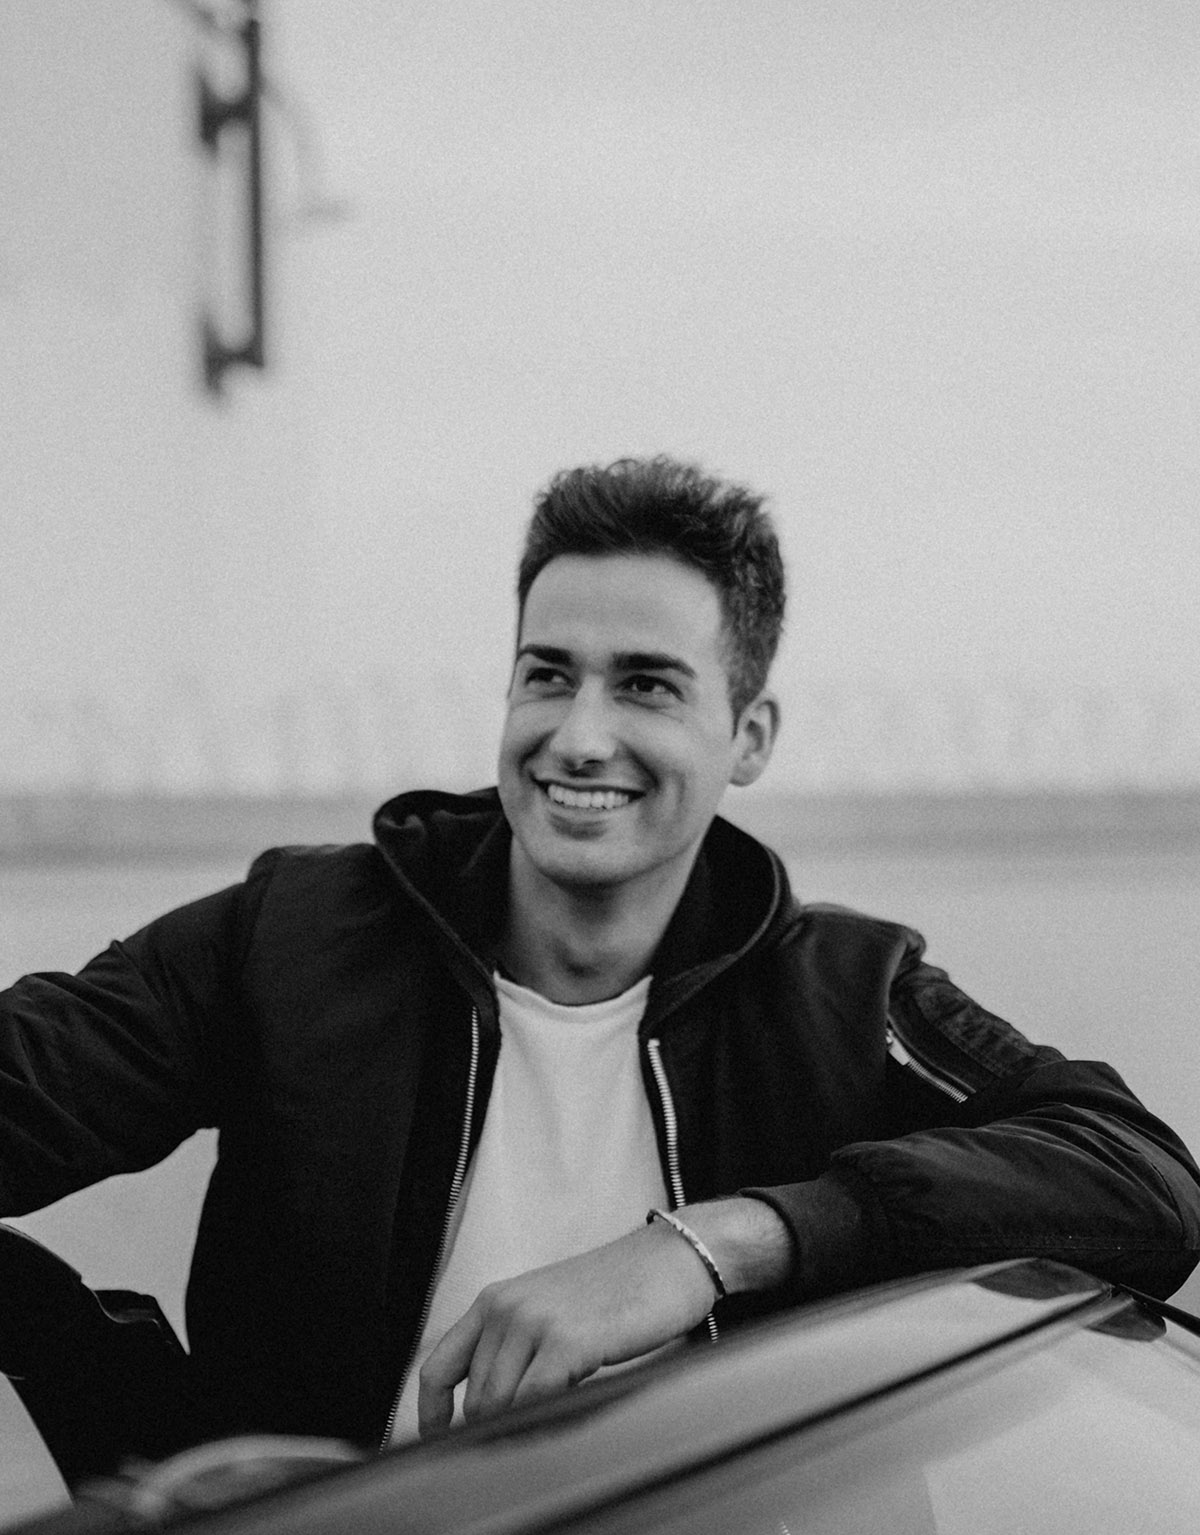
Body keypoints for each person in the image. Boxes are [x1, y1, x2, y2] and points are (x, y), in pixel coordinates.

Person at [1, 455, 1197, 1454]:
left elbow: (1142, 1179)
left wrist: (711, 1247)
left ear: (749, 737)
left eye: (645, 686)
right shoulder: (296, 938)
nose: (580, 736)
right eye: (547, 675)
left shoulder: (844, 995)